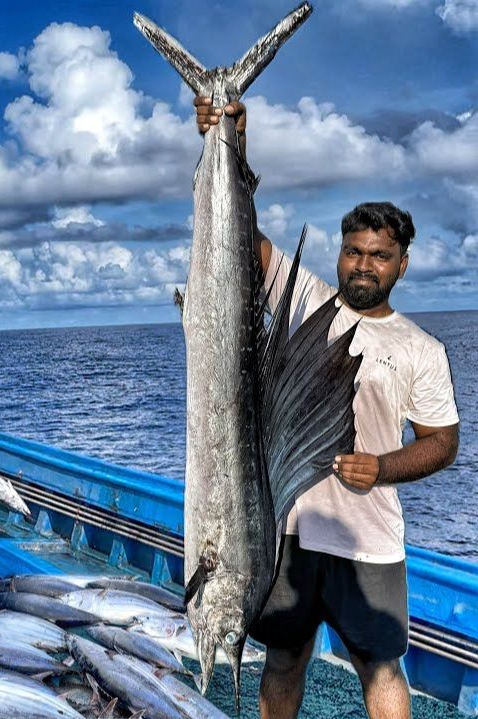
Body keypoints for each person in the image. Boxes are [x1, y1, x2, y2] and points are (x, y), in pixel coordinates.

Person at [198, 98, 460, 719]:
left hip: (367, 539)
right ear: (340, 252)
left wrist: (384, 467)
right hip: (284, 533)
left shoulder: (421, 348)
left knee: (380, 667)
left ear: (402, 263)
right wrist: (230, 142)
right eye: (353, 251)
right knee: (284, 660)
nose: (363, 265)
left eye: (379, 255)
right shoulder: (305, 299)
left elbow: (442, 442)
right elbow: (242, 239)